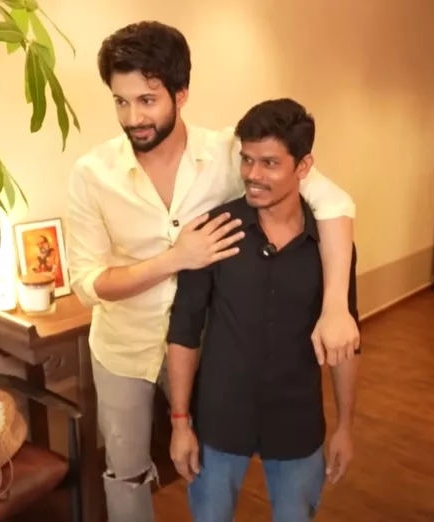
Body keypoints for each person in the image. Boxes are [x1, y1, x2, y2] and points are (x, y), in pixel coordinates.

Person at [65, 21, 359, 520]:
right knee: (126, 472)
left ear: (181, 94)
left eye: (147, 100)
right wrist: (175, 258)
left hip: (206, 346)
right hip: (124, 346)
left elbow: (332, 203)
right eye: (121, 101)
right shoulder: (92, 175)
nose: (133, 117)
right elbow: (88, 284)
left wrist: (335, 308)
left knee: (208, 459)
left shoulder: (231, 154)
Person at [165, 98, 359, 522]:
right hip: (219, 420)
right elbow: (183, 330)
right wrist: (180, 423)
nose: (253, 174)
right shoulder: (213, 232)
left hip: (297, 422)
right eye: (247, 159)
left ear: (303, 167)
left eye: (270, 163)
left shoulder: (331, 247)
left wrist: (345, 426)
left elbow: (346, 341)